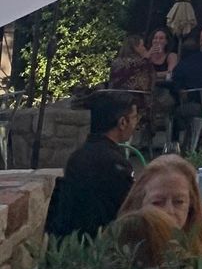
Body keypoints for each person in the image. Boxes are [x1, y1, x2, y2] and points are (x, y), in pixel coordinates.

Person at [44, 92, 139, 240]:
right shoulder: (115, 164)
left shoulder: (77, 157)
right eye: (134, 118)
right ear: (122, 123)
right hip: (101, 246)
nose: (136, 124)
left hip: (71, 242)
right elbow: (130, 209)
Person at [118, 155, 202, 258]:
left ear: (191, 204)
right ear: (140, 202)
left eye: (179, 202)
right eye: (157, 202)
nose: (168, 211)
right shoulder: (123, 258)